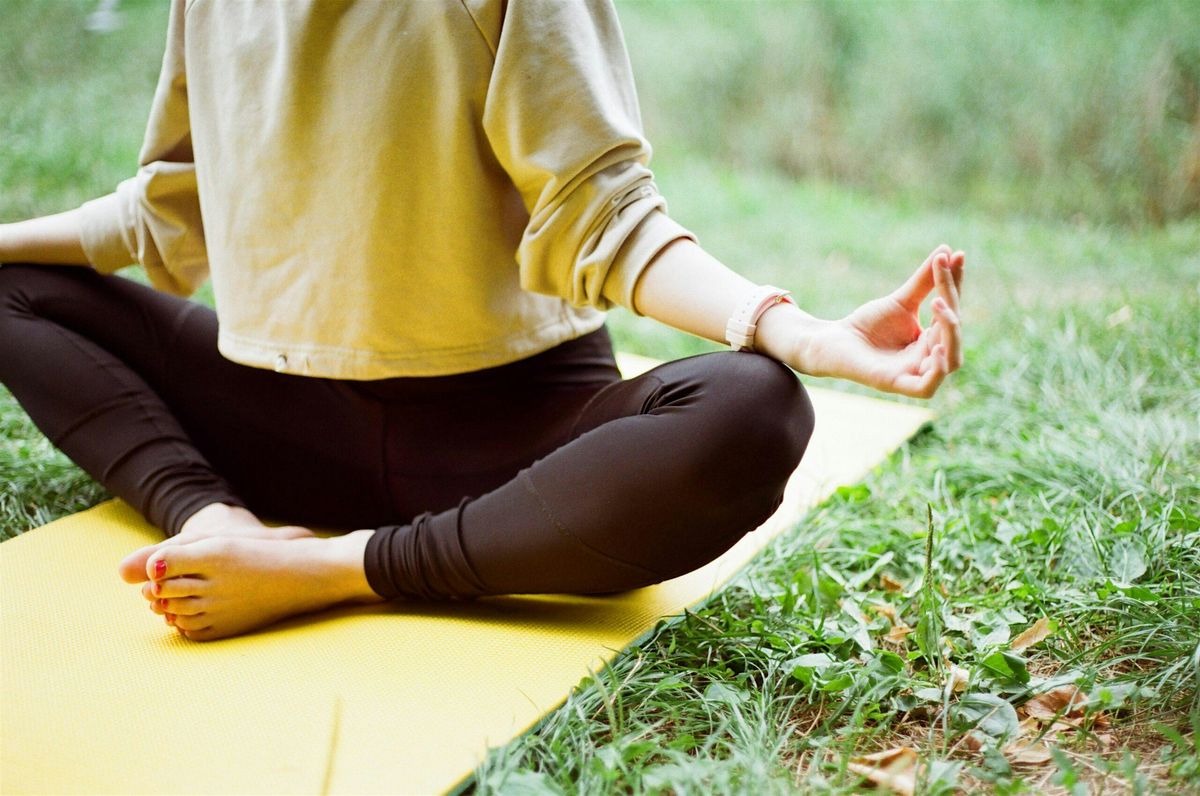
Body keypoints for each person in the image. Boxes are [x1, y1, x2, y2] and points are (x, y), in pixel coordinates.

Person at [0, 0, 963, 642]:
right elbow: (173, 206)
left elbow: (609, 216)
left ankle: (335, 570)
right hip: (285, 419)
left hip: (511, 444)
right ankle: (225, 530)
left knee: (754, 408)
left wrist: (797, 333)